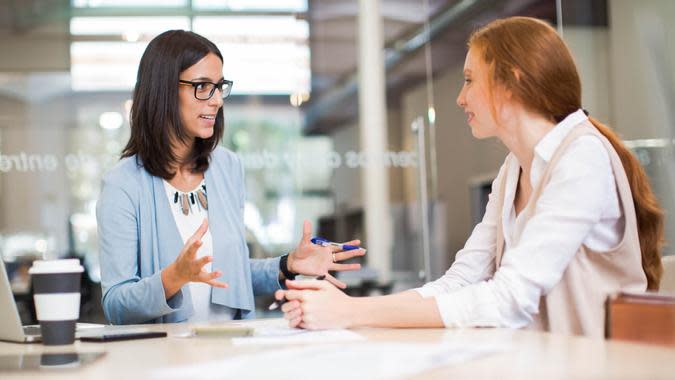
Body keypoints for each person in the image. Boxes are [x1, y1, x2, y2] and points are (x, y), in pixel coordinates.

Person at [276, 16, 664, 337]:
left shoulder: (583, 158)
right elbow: (459, 281)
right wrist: (346, 309)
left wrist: (350, 312)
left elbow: (510, 298)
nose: (461, 98)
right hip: (540, 363)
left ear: (509, 82)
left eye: (469, 79)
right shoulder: (513, 168)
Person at [97, 30, 365, 325]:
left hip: (230, 349)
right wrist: (172, 278)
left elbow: (232, 274)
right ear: (162, 89)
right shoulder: (123, 185)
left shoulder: (226, 167)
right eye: (201, 86)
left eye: (218, 87)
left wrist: (288, 264)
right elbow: (115, 305)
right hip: (166, 361)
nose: (216, 101)